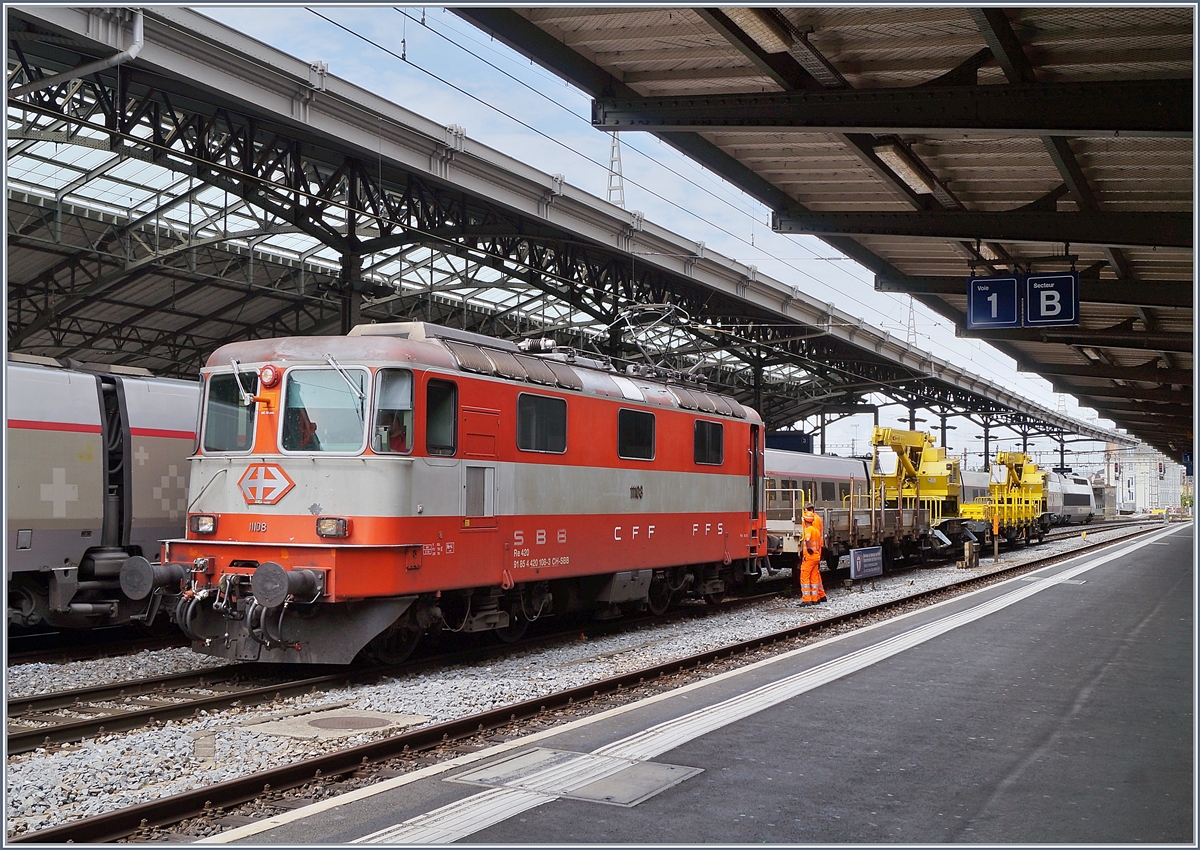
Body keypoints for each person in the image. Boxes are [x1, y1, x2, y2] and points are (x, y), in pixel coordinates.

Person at [797, 505, 827, 606]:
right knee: (814, 576)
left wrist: (809, 549)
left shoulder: (809, 530)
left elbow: (808, 540)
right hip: (816, 555)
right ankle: (816, 598)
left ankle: (807, 599)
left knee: (804, 576)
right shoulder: (817, 530)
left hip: (809, 556)